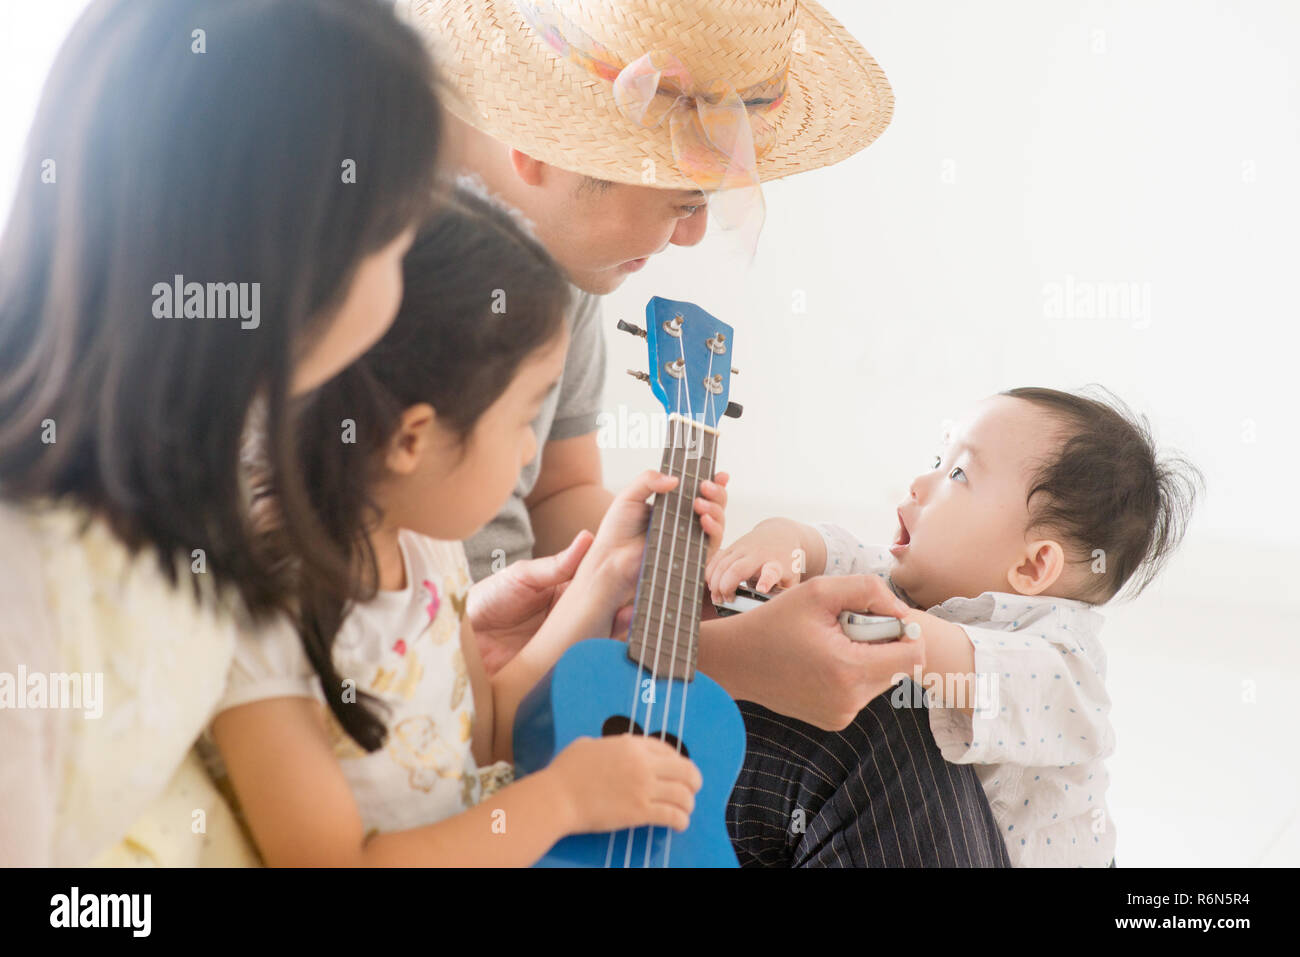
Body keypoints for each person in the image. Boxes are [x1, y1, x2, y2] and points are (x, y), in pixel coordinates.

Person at [412, 0, 1011, 865]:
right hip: (483, 673)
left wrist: (652, 569)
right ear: (543, 148)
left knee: (892, 707)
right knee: (872, 745)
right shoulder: (367, 288)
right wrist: (724, 654)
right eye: (682, 200)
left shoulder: (559, 255)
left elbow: (556, 489)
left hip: (540, 637)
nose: (693, 233)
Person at [0, 0, 444, 865]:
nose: (402, 278)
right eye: (394, 241)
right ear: (285, 263)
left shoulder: (185, 476)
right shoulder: (21, 587)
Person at [205, 185, 732, 865]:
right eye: (522, 420)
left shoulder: (425, 549)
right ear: (412, 439)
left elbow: (489, 729)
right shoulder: (263, 614)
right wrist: (561, 801)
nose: (529, 453)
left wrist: (604, 573)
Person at [708, 386, 1202, 865]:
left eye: (959, 474)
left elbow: (977, 668)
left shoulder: (1061, 658)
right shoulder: (916, 582)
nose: (920, 484)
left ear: (1032, 568)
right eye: (937, 460)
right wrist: (779, 539)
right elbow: (834, 550)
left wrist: (887, 624)